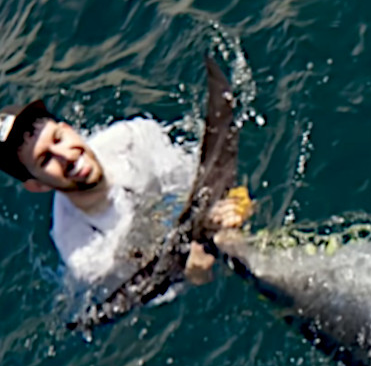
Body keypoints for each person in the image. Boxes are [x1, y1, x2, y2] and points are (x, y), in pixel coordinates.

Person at [0, 98, 245, 296]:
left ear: (68, 129)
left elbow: (200, 177)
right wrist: (194, 277)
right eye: (45, 159)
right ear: (38, 186)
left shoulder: (131, 138)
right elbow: (150, 291)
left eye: (58, 138)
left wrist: (236, 203)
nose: (66, 155)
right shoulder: (84, 255)